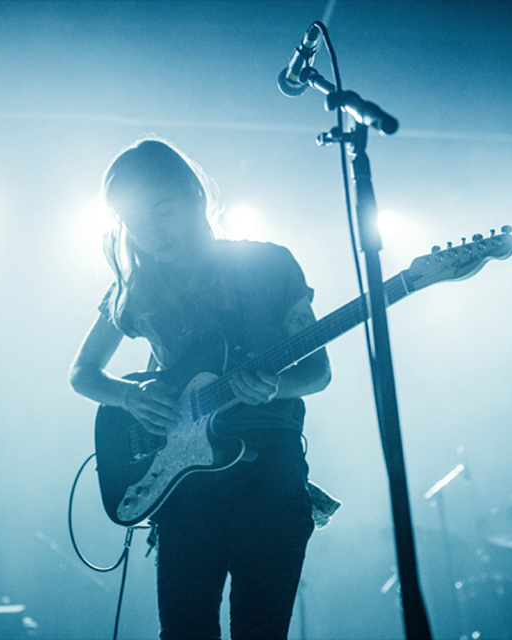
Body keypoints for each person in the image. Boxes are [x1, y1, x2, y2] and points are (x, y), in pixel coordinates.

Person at [69, 137, 332, 640]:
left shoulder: (268, 264)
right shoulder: (135, 287)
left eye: (162, 211)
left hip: (270, 473)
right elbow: (83, 372)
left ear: (194, 195)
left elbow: (317, 372)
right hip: (184, 485)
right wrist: (129, 396)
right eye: (134, 222)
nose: (150, 233)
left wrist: (272, 386)